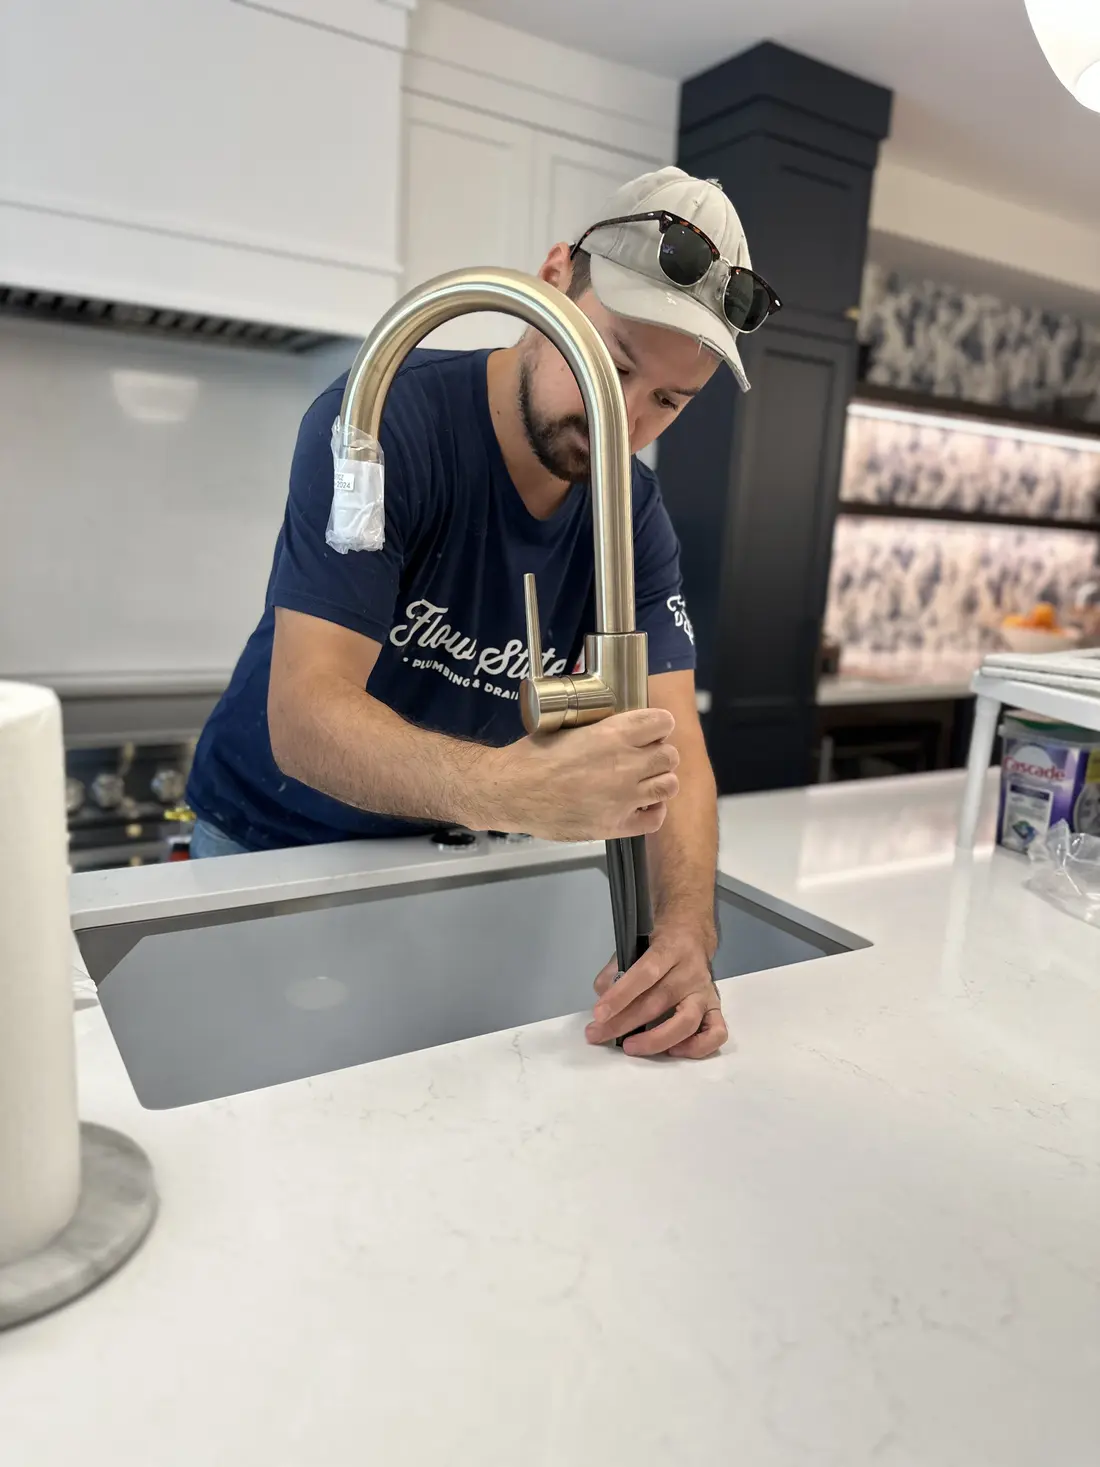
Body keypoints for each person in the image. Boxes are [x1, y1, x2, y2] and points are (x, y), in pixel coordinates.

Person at [186, 166, 781, 1059]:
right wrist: (513, 787)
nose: (623, 418)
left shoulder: (634, 514)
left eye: (666, 399)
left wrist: (688, 929)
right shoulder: (385, 425)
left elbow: (675, 748)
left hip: (445, 854)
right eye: (612, 363)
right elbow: (304, 715)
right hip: (271, 845)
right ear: (551, 283)